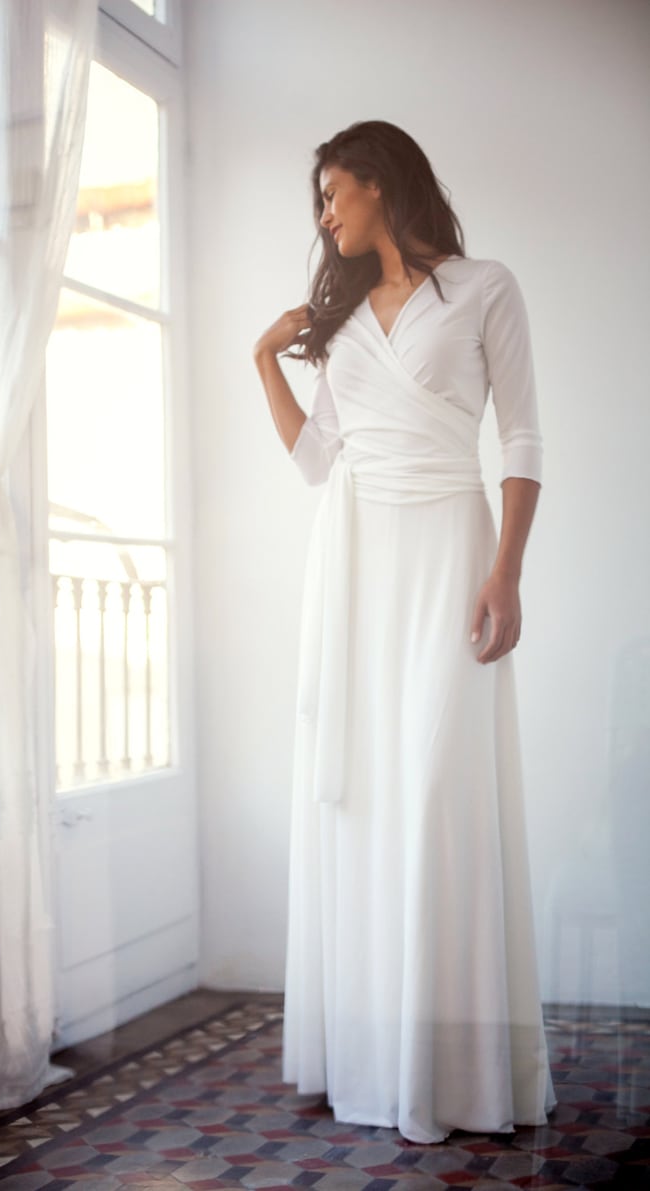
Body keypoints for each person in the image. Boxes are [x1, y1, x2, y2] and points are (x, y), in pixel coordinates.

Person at [252, 120, 557, 1145]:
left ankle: (459, 1075)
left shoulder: (482, 288)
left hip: (448, 554)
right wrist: (265, 361)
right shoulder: (337, 329)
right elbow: (313, 462)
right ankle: (377, 1064)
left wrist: (503, 571)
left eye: (333, 193)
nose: (325, 215)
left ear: (381, 184)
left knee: (436, 793)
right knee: (372, 803)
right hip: (355, 570)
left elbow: (517, 434)